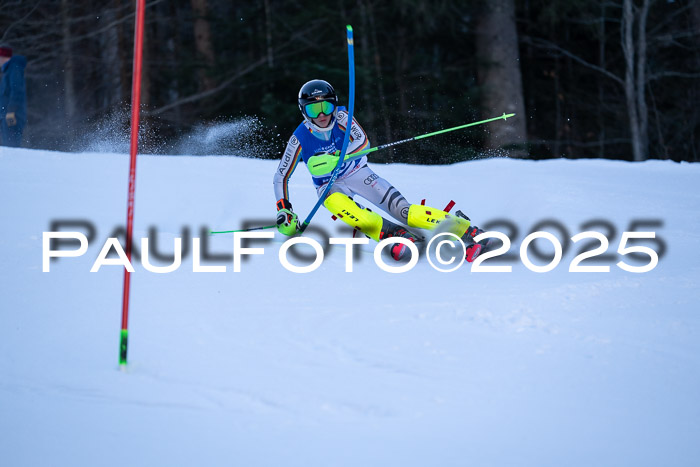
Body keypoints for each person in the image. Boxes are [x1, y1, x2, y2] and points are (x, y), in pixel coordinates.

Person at [273, 79, 489, 262]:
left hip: (358, 173)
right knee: (340, 206)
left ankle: (468, 231)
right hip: (329, 186)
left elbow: (363, 141)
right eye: (314, 109)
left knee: (405, 212)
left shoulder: (342, 118)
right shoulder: (298, 138)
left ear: (334, 105)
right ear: (304, 111)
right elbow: (281, 176)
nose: (322, 115)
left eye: (326, 107)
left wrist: (338, 158)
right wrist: (284, 209)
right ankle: (396, 235)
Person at [0, 45, 27, 148]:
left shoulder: (14, 68)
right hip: (7, 114)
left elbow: (17, 90)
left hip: (12, 115)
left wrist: (11, 111)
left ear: (3, 57)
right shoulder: (8, 70)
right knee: (8, 144)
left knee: (11, 145)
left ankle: (17, 163)